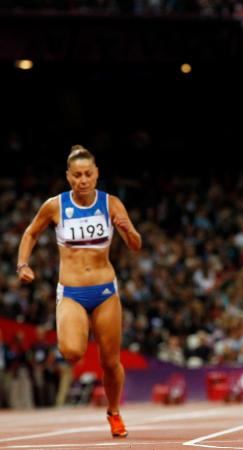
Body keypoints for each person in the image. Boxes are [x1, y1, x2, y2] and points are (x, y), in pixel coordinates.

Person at [17, 145, 141, 437]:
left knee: (110, 362)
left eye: (87, 174)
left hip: (105, 291)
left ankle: (114, 412)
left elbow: (135, 246)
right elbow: (31, 232)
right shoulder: (54, 205)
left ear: (96, 174)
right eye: (77, 175)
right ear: (68, 177)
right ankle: (78, 326)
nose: (83, 180)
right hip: (72, 291)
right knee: (72, 351)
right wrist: (23, 263)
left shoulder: (111, 204)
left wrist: (128, 230)